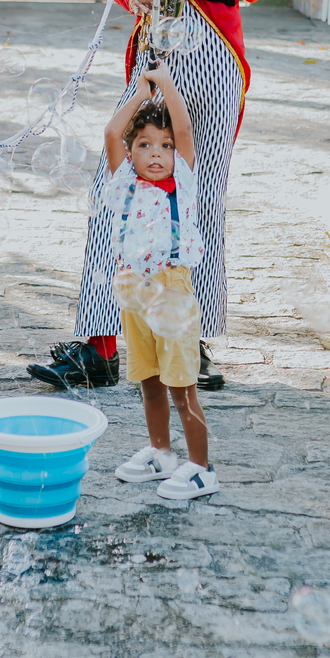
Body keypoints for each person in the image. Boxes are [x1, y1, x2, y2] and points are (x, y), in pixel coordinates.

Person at [28, 0, 271, 393]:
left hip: (215, 52)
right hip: (152, 51)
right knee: (117, 187)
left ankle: (190, 338)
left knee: (200, 190)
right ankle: (99, 343)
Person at [104, 65, 217, 501]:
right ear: (131, 153)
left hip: (172, 290)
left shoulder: (183, 182)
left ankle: (201, 468)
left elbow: (185, 127)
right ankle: (162, 453)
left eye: (164, 146)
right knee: (149, 380)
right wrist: (139, 93)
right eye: (145, 145)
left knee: (181, 383)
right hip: (133, 290)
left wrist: (165, 85)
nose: (156, 153)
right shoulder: (123, 183)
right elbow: (113, 133)